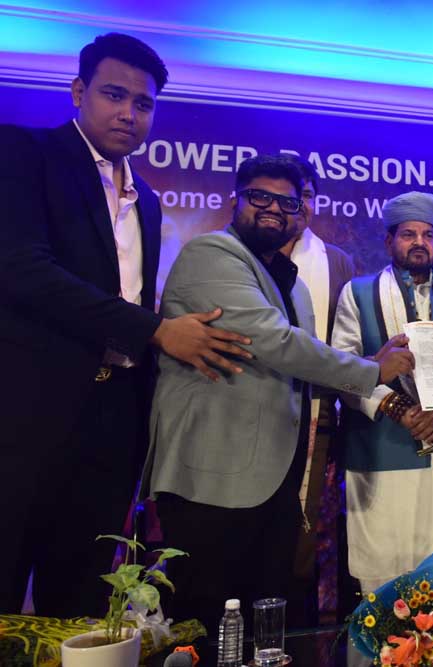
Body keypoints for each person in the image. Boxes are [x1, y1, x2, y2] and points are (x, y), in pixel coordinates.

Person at [0, 33, 251, 617]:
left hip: (117, 417)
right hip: (29, 412)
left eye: (143, 104)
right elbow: (22, 269)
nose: (128, 114)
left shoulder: (148, 201)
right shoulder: (25, 153)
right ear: (78, 92)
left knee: (83, 595)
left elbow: (128, 293)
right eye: (113, 95)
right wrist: (156, 330)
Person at [144, 154, 414, 631]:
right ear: (235, 200)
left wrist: (369, 368)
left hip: (274, 478)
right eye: (259, 197)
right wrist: (372, 371)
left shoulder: (290, 283)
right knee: (204, 621)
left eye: (287, 202)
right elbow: (275, 343)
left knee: (265, 622)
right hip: (212, 475)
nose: (273, 209)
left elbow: (301, 366)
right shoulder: (212, 253)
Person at [330, 191, 433, 592]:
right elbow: (341, 369)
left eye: (428, 235)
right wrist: (399, 408)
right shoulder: (358, 293)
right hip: (382, 453)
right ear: (389, 241)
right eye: (408, 234)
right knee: (384, 575)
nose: (419, 242)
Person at [279, 157, 356, 623]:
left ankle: (306, 631)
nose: (299, 204)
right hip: (255, 415)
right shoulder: (243, 254)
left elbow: (347, 346)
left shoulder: (337, 262)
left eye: (306, 195)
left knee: (308, 534)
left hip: (318, 416)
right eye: (291, 195)